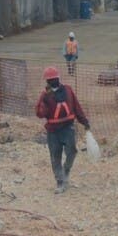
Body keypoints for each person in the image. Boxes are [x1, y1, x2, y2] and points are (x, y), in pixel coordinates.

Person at [34, 66, 91, 194]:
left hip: (68, 128)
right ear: (47, 81)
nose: (53, 81)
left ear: (58, 78)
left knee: (72, 151)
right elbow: (40, 114)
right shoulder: (45, 95)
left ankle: (66, 170)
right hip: (53, 131)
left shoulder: (68, 90)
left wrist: (84, 121)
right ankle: (60, 181)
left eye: (55, 78)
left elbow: (76, 107)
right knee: (55, 156)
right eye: (50, 80)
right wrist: (44, 100)